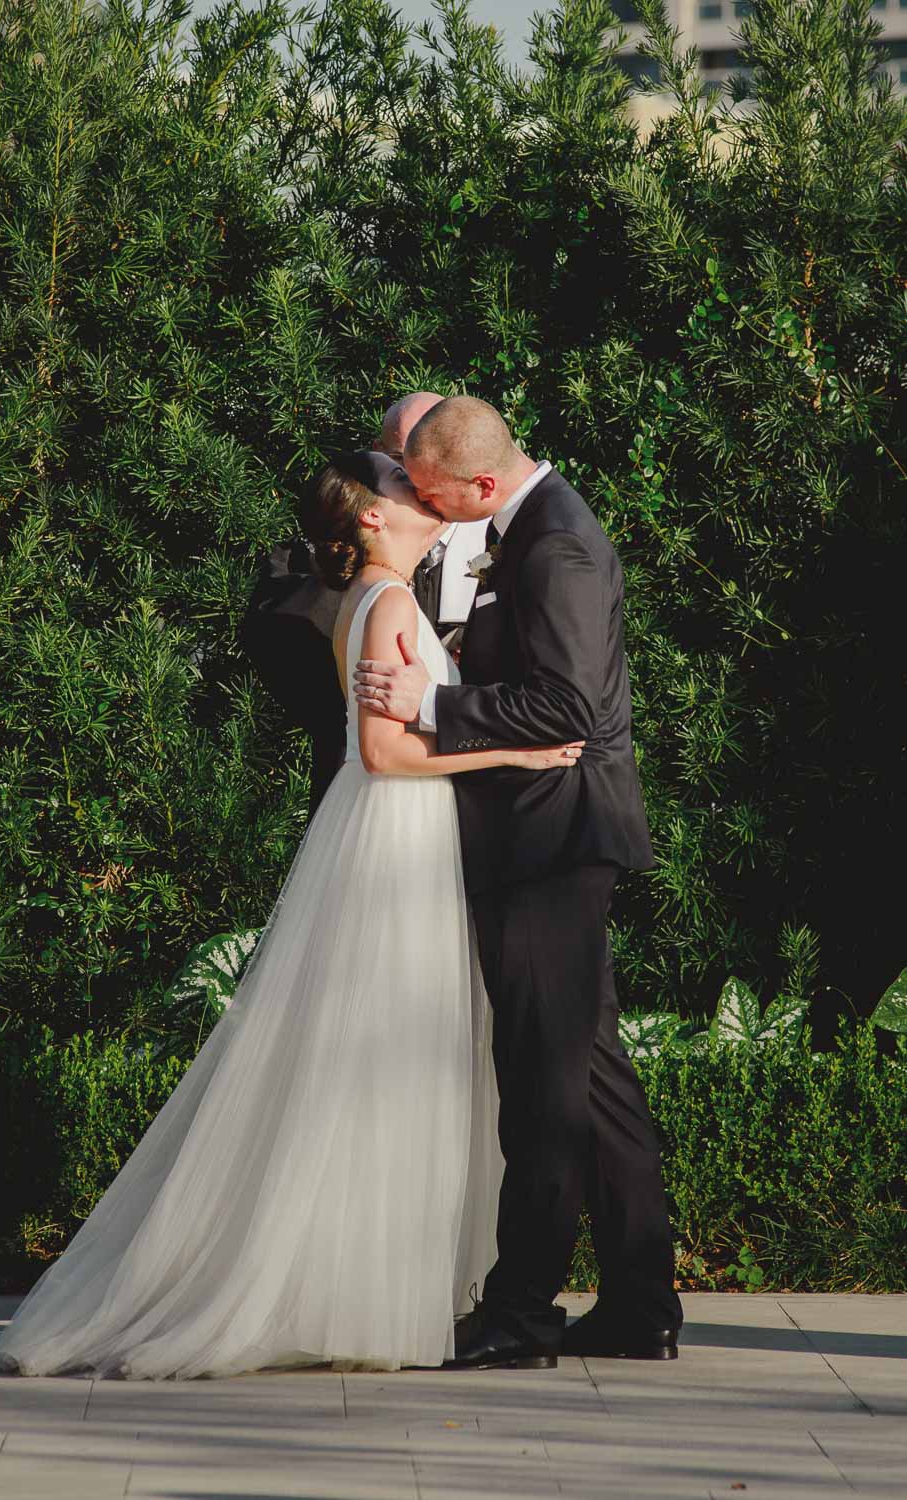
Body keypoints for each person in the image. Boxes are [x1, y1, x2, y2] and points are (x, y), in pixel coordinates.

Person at [0, 450, 583, 1379]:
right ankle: (342, 1294)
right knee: (373, 1061)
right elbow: (384, 755)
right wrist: (514, 757)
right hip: (390, 839)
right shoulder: (384, 605)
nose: (424, 496)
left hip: (401, 838)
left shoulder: (386, 598)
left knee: (376, 1060)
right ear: (374, 519)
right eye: (402, 488)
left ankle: (357, 1290)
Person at [354, 396, 684, 1368]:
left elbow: (564, 708)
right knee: (590, 1075)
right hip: (546, 837)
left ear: (482, 485)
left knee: (539, 1087)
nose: (422, 504)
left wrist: (434, 699)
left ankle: (522, 1313)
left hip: (551, 839)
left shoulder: (554, 546)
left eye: (432, 491)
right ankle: (637, 1302)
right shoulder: (528, 529)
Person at [241, 393, 486, 817]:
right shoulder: (334, 570)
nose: (421, 477)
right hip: (372, 796)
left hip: (463, 803)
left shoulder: (501, 546)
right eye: (402, 461)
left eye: (435, 457)